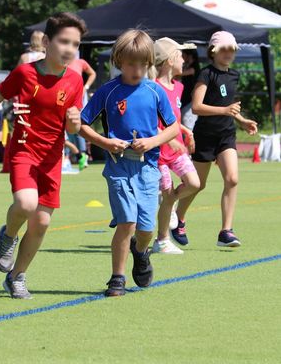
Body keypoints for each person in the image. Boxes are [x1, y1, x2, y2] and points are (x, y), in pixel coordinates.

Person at [0, 12, 86, 299]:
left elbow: (72, 125)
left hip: (52, 157)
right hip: (24, 149)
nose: (69, 48)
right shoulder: (25, 73)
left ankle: (16, 276)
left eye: (75, 44)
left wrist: (75, 122)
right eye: (63, 41)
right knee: (26, 203)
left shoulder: (75, 81)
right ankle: (8, 234)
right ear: (46, 41)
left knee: (42, 222)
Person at [80, 29, 179, 297]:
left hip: (148, 168)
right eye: (131, 63)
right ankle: (117, 278)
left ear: (149, 64)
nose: (136, 69)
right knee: (127, 222)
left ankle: (141, 250)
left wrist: (153, 141)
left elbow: (173, 128)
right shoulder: (108, 91)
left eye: (142, 64)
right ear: (118, 61)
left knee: (145, 229)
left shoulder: (155, 91)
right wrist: (105, 142)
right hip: (118, 166)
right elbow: (82, 125)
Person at [170, 31, 257, 248]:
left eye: (231, 49)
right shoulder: (206, 75)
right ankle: (177, 217)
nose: (228, 53)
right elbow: (197, 106)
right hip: (205, 136)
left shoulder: (234, 75)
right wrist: (225, 109)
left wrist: (242, 120)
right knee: (197, 185)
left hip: (226, 134)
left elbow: (229, 107)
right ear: (213, 51)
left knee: (232, 179)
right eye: (224, 49)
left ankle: (226, 231)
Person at [149, 38, 201, 255]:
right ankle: (161, 240)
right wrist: (167, 137)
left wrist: (185, 131)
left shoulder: (178, 87)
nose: (185, 60)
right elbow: (150, 122)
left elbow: (172, 118)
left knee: (194, 183)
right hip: (159, 152)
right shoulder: (152, 88)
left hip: (176, 148)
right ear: (170, 61)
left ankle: (168, 203)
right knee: (168, 194)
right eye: (181, 56)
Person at [67, 55, 97, 170]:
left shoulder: (80, 62)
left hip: (78, 97)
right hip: (63, 96)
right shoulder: (60, 62)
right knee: (65, 126)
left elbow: (92, 73)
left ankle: (83, 155)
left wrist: (86, 86)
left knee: (78, 125)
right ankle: (67, 157)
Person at [180, 49, 200, 129]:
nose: (182, 58)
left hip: (190, 100)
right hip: (184, 99)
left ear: (190, 56)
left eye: (183, 55)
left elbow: (180, 73)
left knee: (188, 123)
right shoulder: (187, 66)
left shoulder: (193, 68)